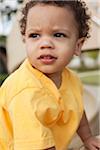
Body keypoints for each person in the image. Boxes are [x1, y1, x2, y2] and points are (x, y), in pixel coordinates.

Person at [0, 0, 100, 150]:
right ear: (25, 40)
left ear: (78, 46)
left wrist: (87, 138)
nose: (45, 43)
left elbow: (78, 110)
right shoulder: (25, 91)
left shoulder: (72, 79)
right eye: (34, 35)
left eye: (58, 34)